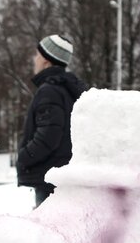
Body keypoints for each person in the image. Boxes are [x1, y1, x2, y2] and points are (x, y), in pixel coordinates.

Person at [16, 35, 88, 207]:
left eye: (37, 55)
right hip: (63, 176)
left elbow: (49, 135)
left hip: (48, 176)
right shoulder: (69, 89)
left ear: (47, 61)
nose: (34, 59)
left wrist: (25, 156)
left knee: (48, 231)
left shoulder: (50, 91)